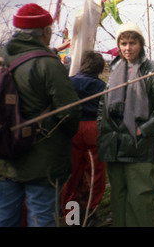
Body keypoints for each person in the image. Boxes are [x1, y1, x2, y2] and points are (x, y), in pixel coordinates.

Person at [0, 3, 81, 227]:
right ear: (45, 31)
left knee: (4, 217)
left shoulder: (1, 57)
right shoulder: (49, 65)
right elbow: (69, 112)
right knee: (41, 218)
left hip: (4, 155)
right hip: (42, 159)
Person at [97, 22, 154, 227]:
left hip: (139, 149)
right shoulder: (114, 69)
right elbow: (102, 106)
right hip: (113, 146)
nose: (127, 48)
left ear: (141, 44)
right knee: (119, 200)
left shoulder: (152, 72)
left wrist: (142, 130)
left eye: (132, 43)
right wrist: (102, 129)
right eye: (123, 43)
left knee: (141, 202)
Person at [61, 50, 107, 225]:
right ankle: (90, 212)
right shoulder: (102, 87)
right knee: (95, 173)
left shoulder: (69, 82)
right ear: (99, 68)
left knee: (72, 173)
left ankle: (71, 216)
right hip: (94, 129)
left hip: (73, 128)